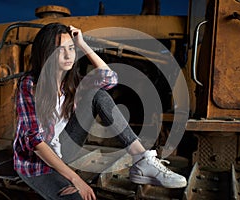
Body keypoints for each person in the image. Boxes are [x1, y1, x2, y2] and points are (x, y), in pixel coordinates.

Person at [13, 22, 187, 200]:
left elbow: (110, 79)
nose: (68, 55)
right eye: (60, 50)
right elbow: (34, 141)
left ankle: (142, 159)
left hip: (63, 149)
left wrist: (83, 44)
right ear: (46, 53)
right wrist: (76, 179)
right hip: (36, 162)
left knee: (98, 94)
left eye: (71, 48)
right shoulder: (30, 84)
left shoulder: (71, 83)